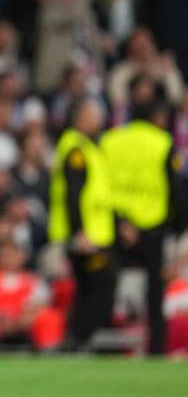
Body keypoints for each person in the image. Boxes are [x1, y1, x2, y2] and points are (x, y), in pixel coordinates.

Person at [101, 97, 183, 354]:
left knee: (106, 284)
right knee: (155, 292)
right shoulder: (163, 142)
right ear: (156, 117)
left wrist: (120, 221)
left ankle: (103, 347)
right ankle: (157, 348)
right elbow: (176, 189)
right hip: (152, 226)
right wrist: (176, 226)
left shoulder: (109, 140)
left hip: (114, 224)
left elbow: (99, 183)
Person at [48, 98, 117, 351]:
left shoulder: (87, 147)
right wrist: (80, 232)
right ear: (80, 118)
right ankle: (77, 339)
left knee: (88, 289)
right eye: (93, 115)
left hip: (94, 233)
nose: (98, 120)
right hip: (86, 235)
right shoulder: (77, 150)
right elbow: (73, 194)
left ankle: (76, 341)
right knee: (102, 286)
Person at [0, 241, 64, 352]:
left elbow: (40, 305)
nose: (8, 259)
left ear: (22, 257)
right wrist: (0, 319)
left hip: (24, 321)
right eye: (4, 255)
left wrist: (23, 320)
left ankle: (48, 350)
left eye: (12, 255)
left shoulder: (34, 280)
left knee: (50, 317)